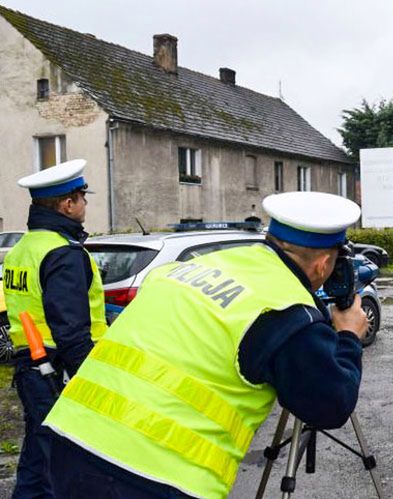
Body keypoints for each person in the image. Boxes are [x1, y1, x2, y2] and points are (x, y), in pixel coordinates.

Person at [44, 191, 368, 499]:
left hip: (70, 439)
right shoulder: (288, 312)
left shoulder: (206, 264)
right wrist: (349, 335)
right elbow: (331, 404)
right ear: (324, 264)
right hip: (155, 476)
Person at [2, 159, 107, 497]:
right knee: (62, 465)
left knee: (38, 456)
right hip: (57, 369)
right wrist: (90, 380)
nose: (85, 205)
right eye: (82, 197)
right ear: (67, 204)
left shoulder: (22, 250)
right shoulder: (62, 253)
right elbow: (71, 328)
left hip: (31, 366)